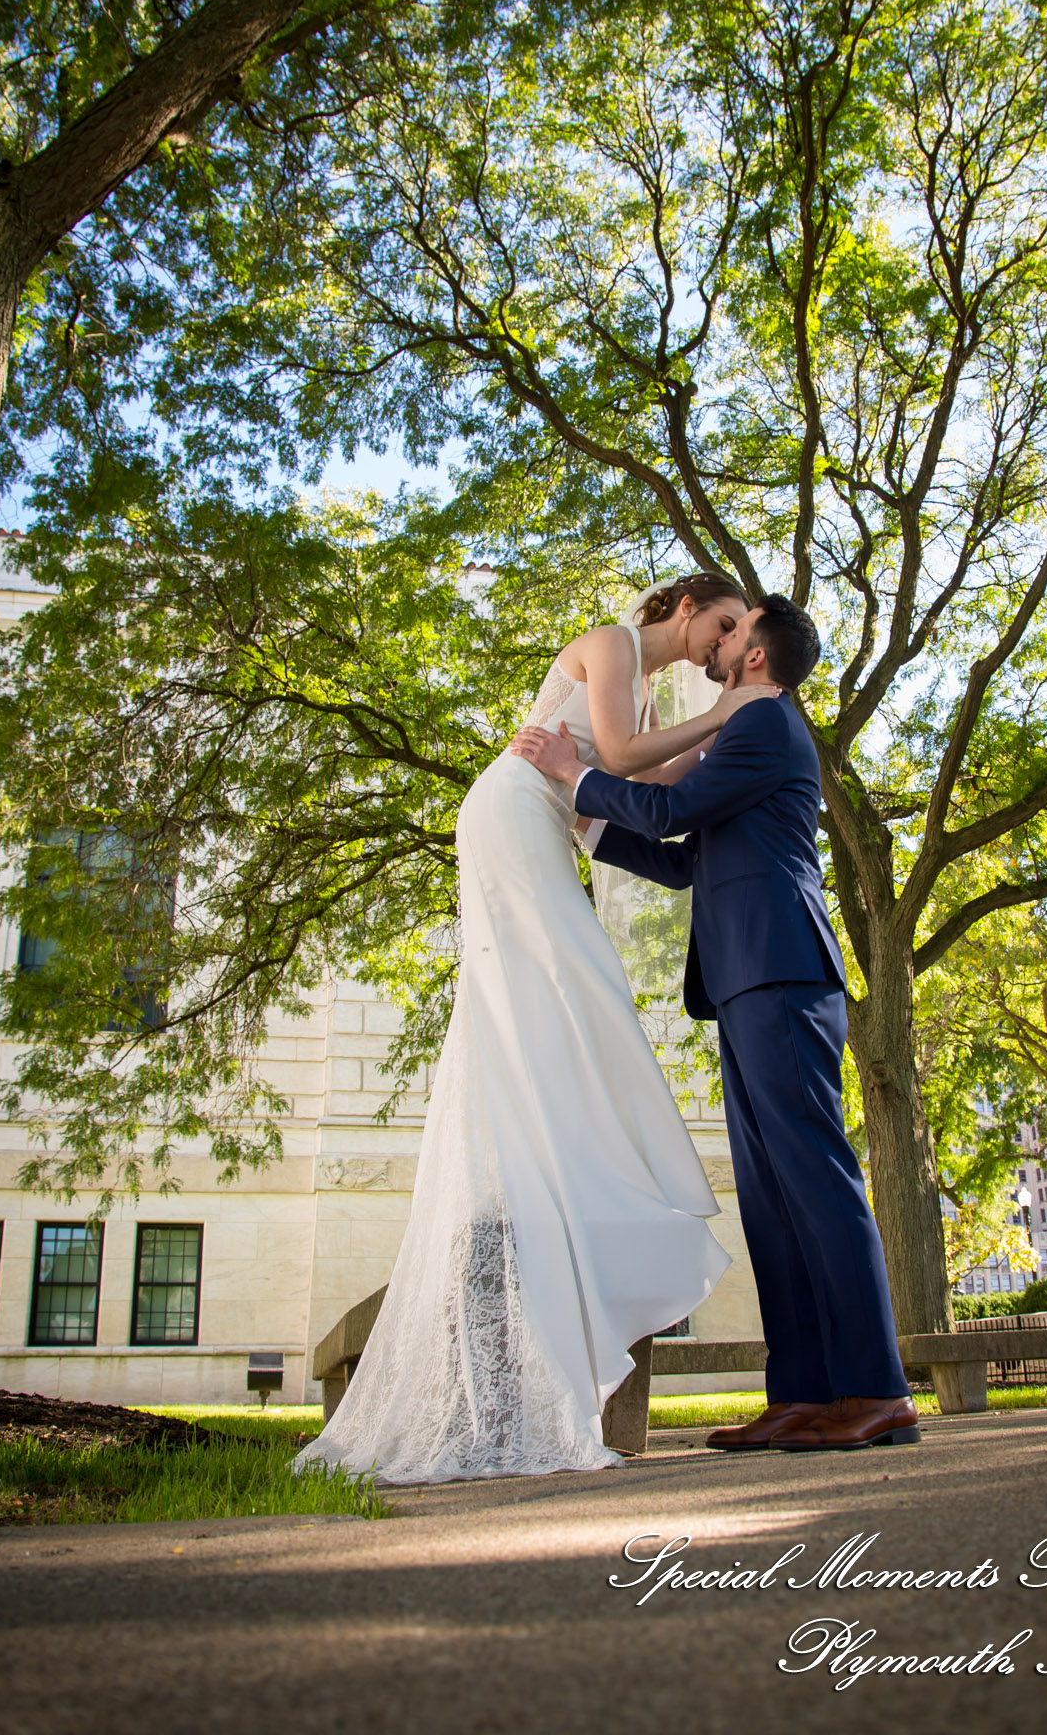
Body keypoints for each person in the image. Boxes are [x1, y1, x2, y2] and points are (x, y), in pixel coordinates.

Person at [296, 574, 775, 1484]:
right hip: (511, 814)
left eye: (732, 639)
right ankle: (571, 1155)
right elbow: (626, 757)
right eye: (719, 627)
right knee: (574, 980)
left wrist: (721, 745)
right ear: (685, 609)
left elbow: (647, 776)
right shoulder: (609, 645)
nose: (720, 648)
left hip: (548, 825)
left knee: (566, 998)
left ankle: (566, 1165)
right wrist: (725, 715)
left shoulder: (638, 690)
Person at [511, 593, 919, 1452]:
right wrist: (584, 821)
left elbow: (666, 813)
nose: (722, 646)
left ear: (758, 658)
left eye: (736, 636)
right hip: (742, 978)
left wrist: (572, 773)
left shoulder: (764, 725)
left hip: (782, 970)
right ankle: (804, 1393)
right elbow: (684, 859)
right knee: (771, 1199)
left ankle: (877, 1390)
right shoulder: (747, 734)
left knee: (817, 1178)